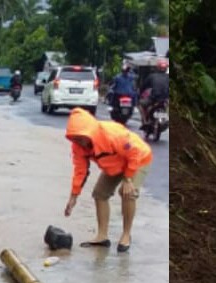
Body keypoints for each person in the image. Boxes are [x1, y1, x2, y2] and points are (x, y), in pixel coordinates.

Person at [63, 107, 153, 253]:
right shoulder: (78, 146)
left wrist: (128, 179)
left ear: (90, 132)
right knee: (99, 194)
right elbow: (80, 171)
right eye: (75, 139)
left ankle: (126, 235)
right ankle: (102, 236)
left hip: (138, 159)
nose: (80, 142)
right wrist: (73, 197)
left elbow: (134, 153)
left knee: (127, 193)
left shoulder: (112, 134)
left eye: (81, 138)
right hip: (115, 164)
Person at [139, 59, 170, 125]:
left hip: (154, 99)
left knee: (140, 104)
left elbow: (143, 86)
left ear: (157, 67)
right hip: (165, 100)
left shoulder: (152, 76)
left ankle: (145, 122)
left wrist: (139, 93)